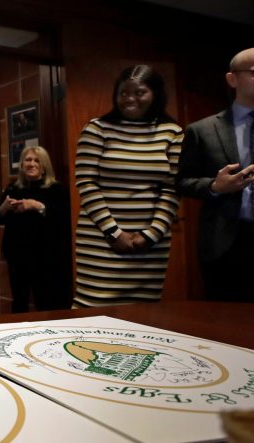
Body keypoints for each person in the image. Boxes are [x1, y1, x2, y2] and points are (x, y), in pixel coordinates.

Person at [177, 46, 254, 304]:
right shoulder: (202, 130)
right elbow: (181, 182)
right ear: (232, 79)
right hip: (229, 245)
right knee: (230, 330)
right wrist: (215, 186)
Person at [74, 65, 183, 307]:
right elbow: (86, 182)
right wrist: (114, 232)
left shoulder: (172, 133)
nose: (130, 99)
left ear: (155, 94)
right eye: (123, 93)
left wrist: (151, 235)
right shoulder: (97, 129)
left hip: (150, 243)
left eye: (139, 92)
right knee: (93, 307)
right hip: (100, 239)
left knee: (143, 314)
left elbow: (172, 188)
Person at [0, 145, 71, 312]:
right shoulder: (13, 188)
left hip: (45, 257)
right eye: (28, 160)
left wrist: (36, 205)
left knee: (45, 301)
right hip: (17, 256)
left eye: (37, 160)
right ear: (22, 165)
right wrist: (4, 207)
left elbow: (62, 217)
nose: (31, 164)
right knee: (19, 302)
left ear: (44, 166)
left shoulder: (55, 189)